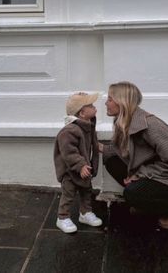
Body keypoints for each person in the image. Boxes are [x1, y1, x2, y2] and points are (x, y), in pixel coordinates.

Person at [99, 81, 168, 229]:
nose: (106, 103)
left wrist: (139, 175)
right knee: (111, 161)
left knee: (131, 194)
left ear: (122, 102)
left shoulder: (151, 125)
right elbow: (121, 151)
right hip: (153, 172)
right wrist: (96, 145)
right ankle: (147, 203)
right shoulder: (122, 121)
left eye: (110, 99)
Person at [54, 92, 102, 233]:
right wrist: (80, 165)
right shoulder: (70, 130)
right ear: (82, 112)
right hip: (71, 170)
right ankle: (62, 218)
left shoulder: (87, 125)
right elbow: (68, 152)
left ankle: (85, 213)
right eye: (91, 106)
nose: (95, 108)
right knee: (68, 194)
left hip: (85, 168)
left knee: (86, 191)